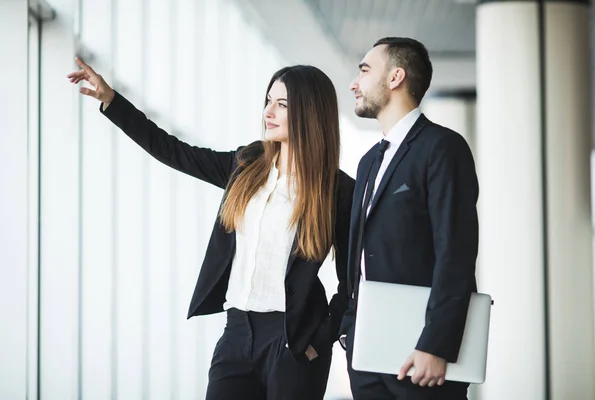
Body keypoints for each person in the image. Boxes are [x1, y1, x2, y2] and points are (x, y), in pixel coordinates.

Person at [67, 58, 354, 400]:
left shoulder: (336, 191)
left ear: (309, 113)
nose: (268, 111)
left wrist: (319, 341)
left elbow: (352, 282)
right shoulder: (246, 165)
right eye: (268, 101)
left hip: (294, 339)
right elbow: (174, 152)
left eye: (282, 104)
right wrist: (112, 100)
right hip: (237, 333)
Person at [338, 37, 479, 399]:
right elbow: (359, 255)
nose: (355, 83)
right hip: (367, 354)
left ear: (396, 77)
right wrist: (349, 329)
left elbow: (456, 252)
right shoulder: (369, 161)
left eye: (365, 71)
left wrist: (436, 344)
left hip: (420, 355)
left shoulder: (442, 148)